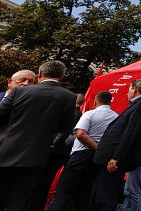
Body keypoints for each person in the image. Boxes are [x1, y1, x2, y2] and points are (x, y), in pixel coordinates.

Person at [0, 60, 76, 211]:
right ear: (62, 76)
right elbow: (66, 127)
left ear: (40, 74)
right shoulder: (69, 96)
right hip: (37, 155)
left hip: (6, 151)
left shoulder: (20, 91)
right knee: (20, 198)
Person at [91, 79, 141, 211]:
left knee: (105, 196)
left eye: (129, 90)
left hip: (114, 160)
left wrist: (116, 157)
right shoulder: (136, 104)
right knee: (100, 193)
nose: (127, 93)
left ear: (136, 89)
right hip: (110, 158)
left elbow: (131, 131)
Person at [49, 90, 118, 211]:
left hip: (81, 155)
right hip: (99, 159)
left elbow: (80, 134)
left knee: (64, 190)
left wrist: (97, 147)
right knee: (85, 192)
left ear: (96, 101)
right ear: (110, 102)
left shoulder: (90, 114)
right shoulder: (116, 117)